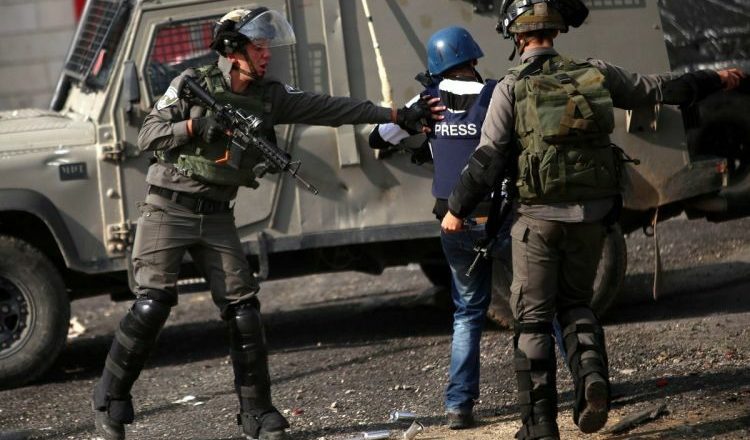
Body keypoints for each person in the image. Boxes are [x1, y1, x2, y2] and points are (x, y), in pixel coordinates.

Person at [91, 7, 443, 440]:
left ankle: (257, 413)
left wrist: (395, 116)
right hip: (169, 208)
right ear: (232, 49)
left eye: (267, 48)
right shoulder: (191, 83)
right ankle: (110, 399)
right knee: (153, 304)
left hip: (216, 215)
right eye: (258, 48)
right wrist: (196, 126)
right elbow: (148, 135)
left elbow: (329, 108)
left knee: (244, 311)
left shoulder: (269, 97)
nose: (267, 55)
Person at [441, 1, 746, 439]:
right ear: (555, 30)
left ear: (516, 36)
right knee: (576, 305)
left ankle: (539, 426)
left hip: (538, 221)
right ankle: (591, 382)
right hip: (593, 217)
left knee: (532, 319)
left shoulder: (510, 86)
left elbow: (487, 160)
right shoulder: (595, 72)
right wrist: (716, 78)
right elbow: (661, 89)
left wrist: (456, 210)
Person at [369, 26, 507, 429]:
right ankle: (584, 381)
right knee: (538, 302)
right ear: (473, 60)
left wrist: (418, 125)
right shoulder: (497, 94)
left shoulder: (426, 100)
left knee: (467, 313)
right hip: (500, 214)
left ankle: (459, 406)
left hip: (452, 220)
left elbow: (378, 138)